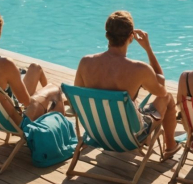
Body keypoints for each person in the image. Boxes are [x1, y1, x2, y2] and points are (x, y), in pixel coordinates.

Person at [73, 11, 179, 160]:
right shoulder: (139, 69)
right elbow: (161, 88)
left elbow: (77, 98)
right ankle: (170, 146)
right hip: (129, 136)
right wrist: (148, 49)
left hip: (97, 133)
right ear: (131, 37)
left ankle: (166, 143)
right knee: (167, 98)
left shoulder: (85, 62)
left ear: (107, 36)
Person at [0, 11, 63, 124]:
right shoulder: (4, 64)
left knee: (35, 67)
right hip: (13, 120)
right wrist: (42, 97)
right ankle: (57, 127)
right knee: (55, 90)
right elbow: (26, 101)